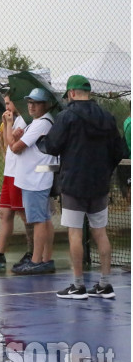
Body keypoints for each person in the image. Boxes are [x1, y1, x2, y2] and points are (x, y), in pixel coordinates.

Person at [38, 75, 124, 299]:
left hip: (74, 183)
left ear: (72, 93)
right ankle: (105, 284)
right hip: (100, 184)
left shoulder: (66, 117)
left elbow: (53, 146)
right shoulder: (107, 117)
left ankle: (78, 285)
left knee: (74, 233)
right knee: (100, 232)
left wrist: (41, 141)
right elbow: (118, 151)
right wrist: (105, 170)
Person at [0, 93, 34, 268]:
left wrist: (8, 124)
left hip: (19, 174)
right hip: (9, 173)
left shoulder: (25, 121)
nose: (7, 108)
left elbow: (13, 144)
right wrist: (6, 124)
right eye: (6, 104)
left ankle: (32, 252)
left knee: (25, 216)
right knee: (5, 213)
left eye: (9, 103)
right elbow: (5, 144)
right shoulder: (14, 121)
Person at [9, 88, 57, 275]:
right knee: (43, 219)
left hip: (35, 179)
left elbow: (15, 148)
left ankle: (37, 261)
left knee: (38, 221)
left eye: (36, 103)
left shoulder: (41, 124)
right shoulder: (39, 122)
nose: (31, 106)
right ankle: (45, 259)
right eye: (30, 102)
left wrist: (16, 138)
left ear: (45, 105)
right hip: (36, 177)